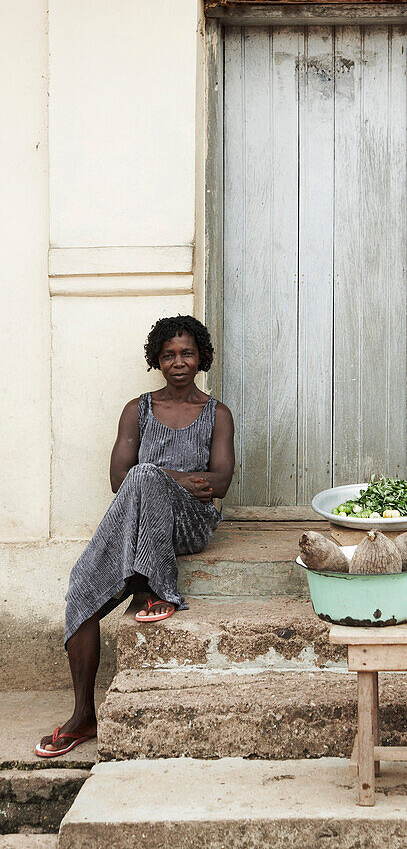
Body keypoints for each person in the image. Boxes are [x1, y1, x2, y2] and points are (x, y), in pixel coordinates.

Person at [36, 315, 234, 756]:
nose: (178, 362)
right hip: (140, 514)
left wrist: (170, 483)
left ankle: (157, 587)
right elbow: (117, 477)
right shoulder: (138, 410)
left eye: (186, 353)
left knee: (144, 476)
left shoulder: (216, 413)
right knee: (82, 586)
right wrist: (181, 478)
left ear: (201, 357)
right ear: (157, 361)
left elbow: (218, 483)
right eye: (169, 355)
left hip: (190, 523)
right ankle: (83, 716)